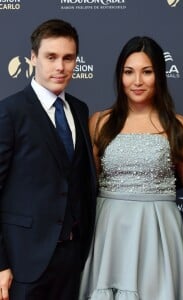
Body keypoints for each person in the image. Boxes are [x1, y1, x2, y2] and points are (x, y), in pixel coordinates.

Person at [79, 36, 183, 300]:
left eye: (147, 72)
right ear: (120, 76)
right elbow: (85, 184)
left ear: (160, 76)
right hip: (108, 230)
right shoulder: (99, 122)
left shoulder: (178, 126)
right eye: (129, 72)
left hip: (158, 232)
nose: (138, 81)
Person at [0, 19, 97, 300]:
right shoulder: (10, 113)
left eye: (68, 58)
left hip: (72, 258)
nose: (60, 67)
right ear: (33, 58)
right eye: (51, 57)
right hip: (23, 262)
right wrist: (1, 263)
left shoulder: (79, 109)